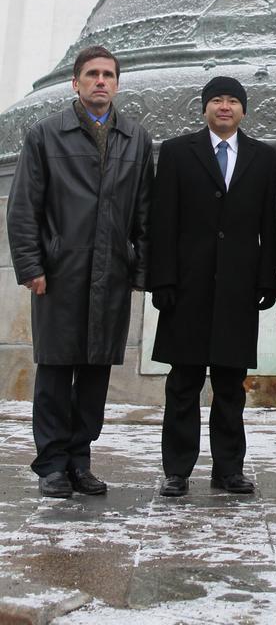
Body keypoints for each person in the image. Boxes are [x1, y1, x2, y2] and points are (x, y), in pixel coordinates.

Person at [6, 45, 153, 498]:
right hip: (59, 272)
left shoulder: (136, 138)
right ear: (76, 82)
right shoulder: (46, 135)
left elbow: (145, 214)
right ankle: (51, 463)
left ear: (117, 83)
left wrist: (138, 269)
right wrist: (32, 266)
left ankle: (79, 460)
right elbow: (24, 208)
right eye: (92, 74)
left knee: (94, 374)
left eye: (109, 74)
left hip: (109, 275)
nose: (101, 81)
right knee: (55, 371)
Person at [148, 76, 276, 497]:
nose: (224, 107)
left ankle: (228, 469)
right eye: (217, 100)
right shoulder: (176, 153)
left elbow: (269, 226)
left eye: (232, 101)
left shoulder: (263, 158)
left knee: (229, 385)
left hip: (238, 289)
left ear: (243, 109)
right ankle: (177, 470)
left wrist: (267, 278)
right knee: (183, 383)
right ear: (205, 107)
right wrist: (162, 280)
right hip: (187, 288)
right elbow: (162, 221)